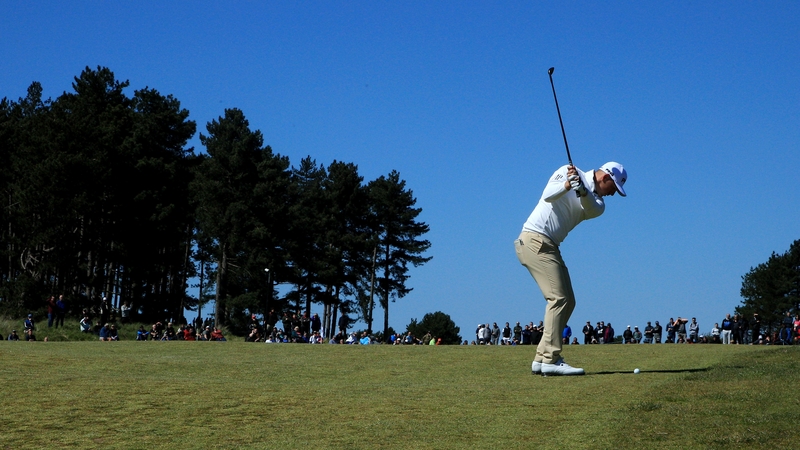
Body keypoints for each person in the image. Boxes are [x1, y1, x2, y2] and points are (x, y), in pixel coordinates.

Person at [516, 161, 628, 376]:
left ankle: (541, 358)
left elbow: (589, 206)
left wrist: (582, 190)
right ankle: (551, 359)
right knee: (559, 299)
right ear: (605, 178)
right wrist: (567, 185)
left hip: (549, 246)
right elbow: (548, 196)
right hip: (534, 240)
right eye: (613, 187)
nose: (613, 193)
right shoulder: (567, 172)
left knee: (569, 301)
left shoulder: (599, 204)